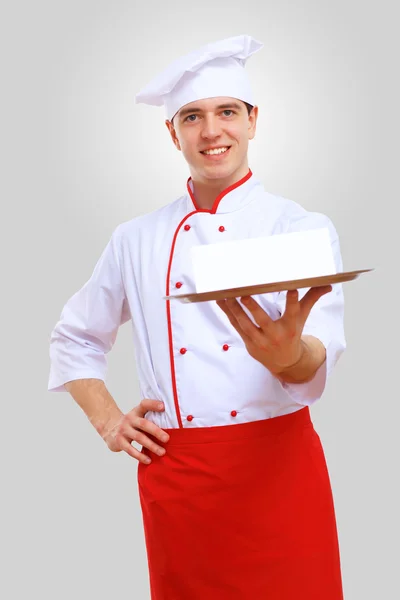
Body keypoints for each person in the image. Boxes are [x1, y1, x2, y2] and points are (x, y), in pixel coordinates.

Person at [48, 34, 346, 599]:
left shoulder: (301, 228)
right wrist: (110, 422)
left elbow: (319, 349)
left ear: (253, 121)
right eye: (193, 116)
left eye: (227, 112)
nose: (212, 132)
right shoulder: (136, 239)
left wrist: (290, 358)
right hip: (178, 477)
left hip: (279, 469)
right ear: (172, 132)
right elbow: (74, 338)